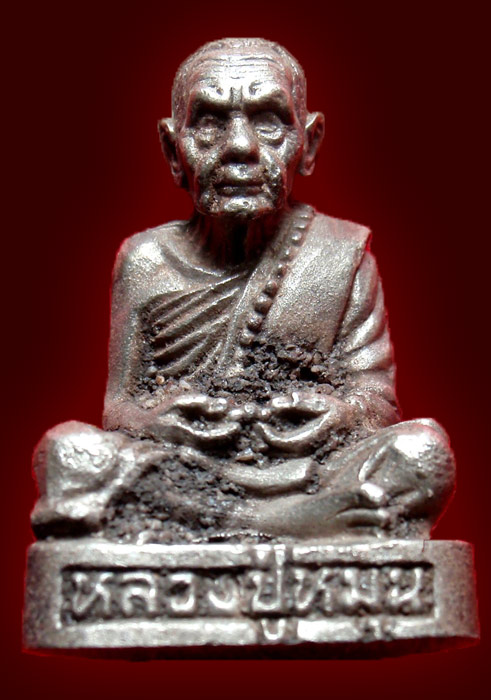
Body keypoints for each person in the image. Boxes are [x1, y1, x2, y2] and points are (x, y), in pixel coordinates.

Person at [31, 38, 455, 543]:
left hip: (307, 467)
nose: (239, 147)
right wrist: (158, 422)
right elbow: (119, 409)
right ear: (172, 148)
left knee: (422, 449)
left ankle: (209, 522)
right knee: (67, 450)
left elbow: (376, 400)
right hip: (183, 464)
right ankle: (278, 524)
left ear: (309, 143)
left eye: (268, 122)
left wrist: (339, 415)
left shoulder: (341, 253)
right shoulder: (144, 260)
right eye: (209, 124)